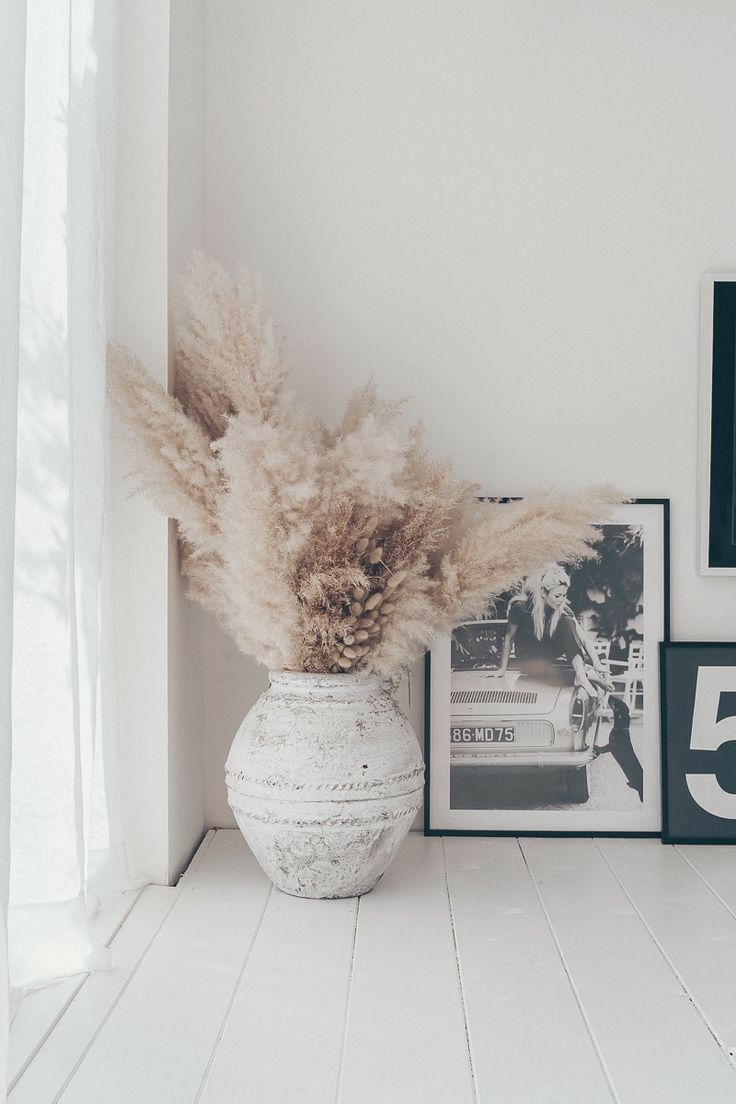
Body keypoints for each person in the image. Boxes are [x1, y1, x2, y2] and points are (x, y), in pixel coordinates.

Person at [492, 565, 606, 697]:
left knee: (568, 621)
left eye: (564, 595)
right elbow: (509, 637)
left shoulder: (563, 610)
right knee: (551, 673)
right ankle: (587, 674)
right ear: (543, 592)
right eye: (557, 596)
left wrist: (598, 664)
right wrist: (502, 669)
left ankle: (582, 674)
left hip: (550, 657)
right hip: (528, 659)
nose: (561, 600)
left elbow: (584, 639)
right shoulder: (521, 608)